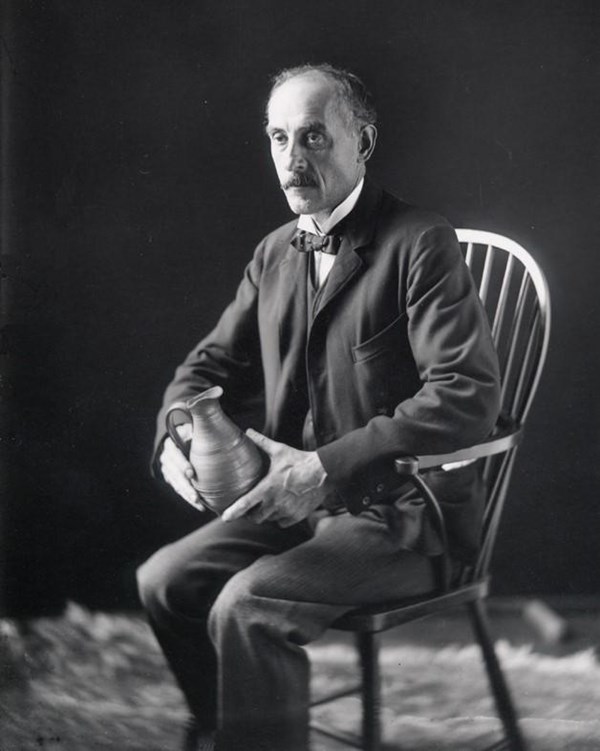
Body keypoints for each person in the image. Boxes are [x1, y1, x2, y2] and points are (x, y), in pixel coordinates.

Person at [137, 63, 501, 751]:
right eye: (278, 138)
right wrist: (175, 432)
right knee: (166, 582)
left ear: (361, 142)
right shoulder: (275, 252)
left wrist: (323, 468)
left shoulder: (420, 242)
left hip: (404, 516)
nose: (292, 160)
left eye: (313, 137)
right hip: (292, 507)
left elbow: (467, 395)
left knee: (248, 606)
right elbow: (205, 368)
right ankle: (240, 728)